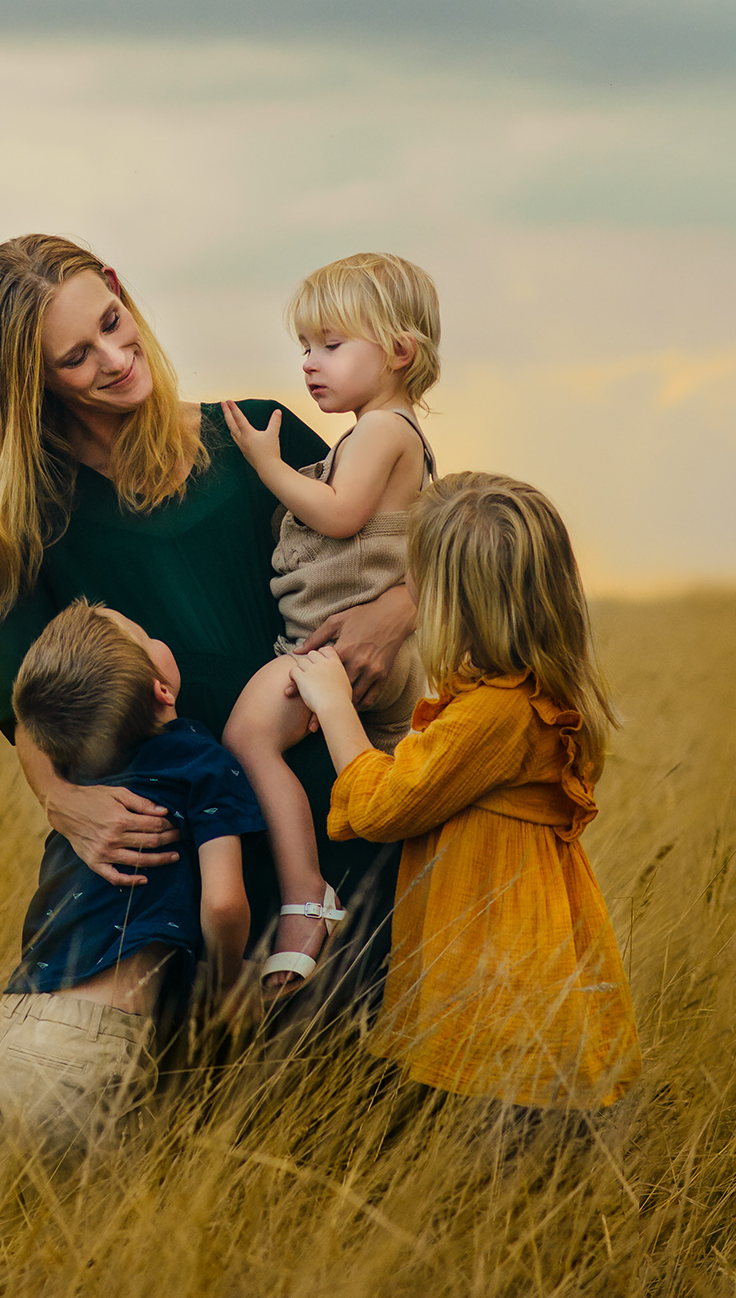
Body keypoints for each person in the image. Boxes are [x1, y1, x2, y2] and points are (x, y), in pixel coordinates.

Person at [0, 234, 418, 1009]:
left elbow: (411, 542)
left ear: (120, 289)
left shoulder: (259, 436)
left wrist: (395, 613)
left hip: (324, 804)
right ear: (30, 382)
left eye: (112, 322)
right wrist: (64, 803)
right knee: (174, 1083)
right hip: (174, 824)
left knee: (349, 1064)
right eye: (76, 357)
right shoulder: (19, 516)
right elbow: (24, 700)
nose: (116, 358)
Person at [289, 472, 642, 1112]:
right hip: (519, 940)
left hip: (497, 958)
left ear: (454, 602)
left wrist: (334, 704)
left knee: (497, 1121)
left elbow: (383, 805)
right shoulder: (526, 690)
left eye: (414, 576)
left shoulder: (498, 712)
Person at [0, 600, 262, 1163]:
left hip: (6, 1031)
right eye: (145, 634)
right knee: (101, 1240)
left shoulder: (79, 782)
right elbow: (224, 905)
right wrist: (225, 983)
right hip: (84, 1053)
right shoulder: (202, 764)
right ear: (162, 691)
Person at [221, 253, 440, 995]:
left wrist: (267, 464)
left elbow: (342, 513)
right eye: (305, 348)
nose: (311, 363)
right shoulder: (374, 431)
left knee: (247, 733)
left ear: (399, 352)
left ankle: (306, 895)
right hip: (334, 650)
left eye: (331, 344)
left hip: (342, 655)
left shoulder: (383, 430)